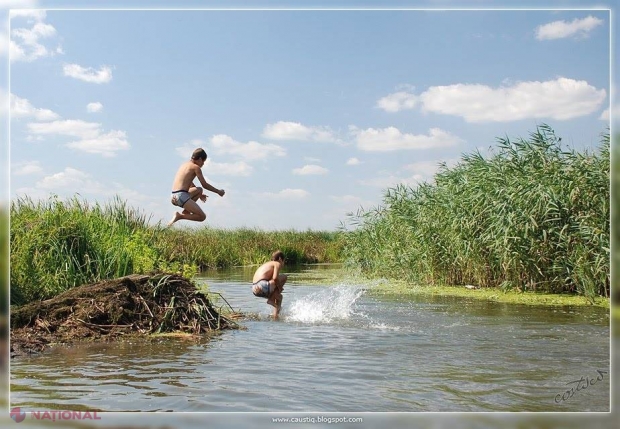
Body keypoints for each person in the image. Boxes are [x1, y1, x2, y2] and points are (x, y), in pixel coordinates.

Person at [168, 148, 225, 226]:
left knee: (199, 190)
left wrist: (200, 194)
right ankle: (180, 216)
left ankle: (186, 211)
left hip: (173, 196)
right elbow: (204, 184)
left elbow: (189, 182)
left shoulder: (184, 165)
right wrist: (218, 191)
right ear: (200, 159)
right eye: (203, 162)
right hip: (181, 196)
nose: (203, 164)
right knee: (202, 217)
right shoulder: (195, 167)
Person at [252, 251, 288, 319]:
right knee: (284, 277)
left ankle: (276, 316)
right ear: (280, 259)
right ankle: (271, 300)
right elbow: (275, 278)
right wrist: (280, 287)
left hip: (255, 288)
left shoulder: (269, 264)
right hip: (262, 285)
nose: (283, 264)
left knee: (279, 297)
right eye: (284, 261)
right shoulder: (277, 263)